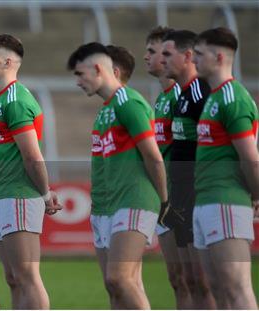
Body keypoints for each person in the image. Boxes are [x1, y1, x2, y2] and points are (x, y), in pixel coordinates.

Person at [68, 42, 167, 309]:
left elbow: (153, 156)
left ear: (101, 68)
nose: (77, 82)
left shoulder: (129, 102)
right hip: (106, 206)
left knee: (120, 278)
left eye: (80, 74)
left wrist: (164, 200)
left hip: (132, 200)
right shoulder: (105, 110)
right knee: (116, 287)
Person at [0, 33, 61, 309]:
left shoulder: (15, 99)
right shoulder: (1, 99)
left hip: (18, 196)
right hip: (1, 195)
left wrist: (46, 192)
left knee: (27, 276)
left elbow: (32, 154)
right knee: (13, 278)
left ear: (8, 61)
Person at [193, 27, 258, 309]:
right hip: (206, 201)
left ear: (219, 57)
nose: (193, 59)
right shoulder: (215, 97)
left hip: (226, 200)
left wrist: (256, 195)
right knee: (218, 287)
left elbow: (250, 156)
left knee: (236, 286)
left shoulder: (233, 97)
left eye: (198, 53)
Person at [160, 30, 217, 309]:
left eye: (167, 54)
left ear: (188, 56)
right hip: (181, 198)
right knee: (191, 279)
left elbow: (218, 143)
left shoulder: (200, 92)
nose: (161, 59)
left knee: (206, 281)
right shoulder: (182, 96)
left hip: (198, 196)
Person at [144, 26, 193, 309]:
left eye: (154, 51)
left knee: (194, 277)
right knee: (177, 277)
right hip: (166, 198)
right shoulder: (161, 100)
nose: (147, 57)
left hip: (184, 197)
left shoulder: (183, 96)